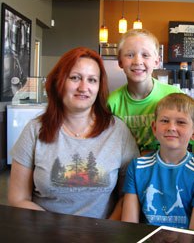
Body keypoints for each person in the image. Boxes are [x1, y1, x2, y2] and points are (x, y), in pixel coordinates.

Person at [8, 47, 139, 219]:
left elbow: (127, 197)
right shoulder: (35, 130)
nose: (83, 87)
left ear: (99, 87)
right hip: (46, 234)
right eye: (75, 78)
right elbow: (18, 198)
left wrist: (105, 231)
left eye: (92, 80)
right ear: (59, 81)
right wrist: (58, 231)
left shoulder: (118, 131)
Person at [107, 29, 194, 153]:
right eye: (130, 55)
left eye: (145, 55)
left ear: (157, 62)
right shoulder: (112, 103)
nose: (138, 61)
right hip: (129, 171)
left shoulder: (173, 95)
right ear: (120, 62)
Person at [120, 93, 194, 230]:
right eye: (165, 121)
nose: (171, 127)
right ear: (154, 128)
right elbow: (129, 226)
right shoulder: (137, 168)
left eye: (181, 122)